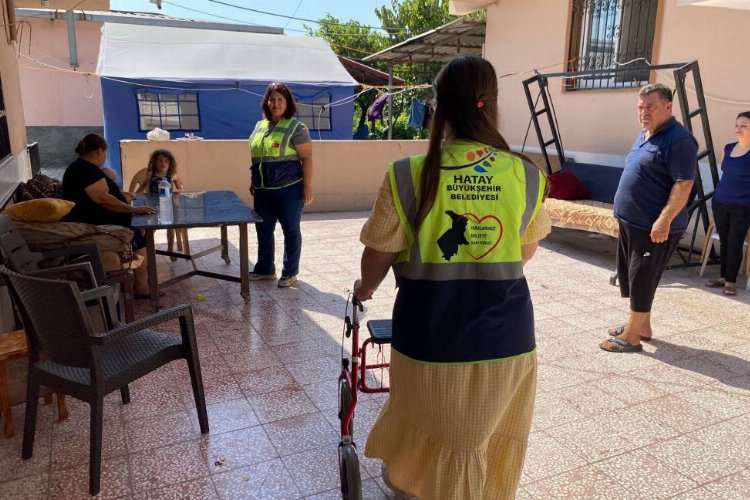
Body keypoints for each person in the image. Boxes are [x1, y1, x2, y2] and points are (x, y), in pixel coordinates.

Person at [352, 55, 550, 500]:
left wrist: (365, 289)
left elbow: (378, 256)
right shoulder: (527, 174)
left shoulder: (407, 175)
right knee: (484, 442)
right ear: (492, 105)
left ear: (439, 107)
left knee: (431, 437)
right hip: (509, 340)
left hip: (430, 340)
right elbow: (524, 251)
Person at [601, 83, 698, 352]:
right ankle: (641, 325)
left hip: (653, 226)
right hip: (632, 221)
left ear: (668, 106)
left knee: (642, 276)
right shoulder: (645, 133)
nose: (644, 112)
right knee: (634, 276)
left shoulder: (679, 140)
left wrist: (664, 219)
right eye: (640, 107)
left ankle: (631, 337)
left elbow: (684, 183)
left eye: (650, 107)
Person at [62, 133, 156, 298]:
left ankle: (140, 282)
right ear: (99, 151)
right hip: (95, 224)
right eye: (105, 153)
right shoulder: (85, 169)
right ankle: (142, 286)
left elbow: (101, 195)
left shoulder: (84, 168)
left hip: (100, 219)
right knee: (140, 239)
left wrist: (121, 196)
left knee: (142, 231)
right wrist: (133, 209)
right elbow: (103, 199)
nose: (105, 157)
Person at [248, 82, 314, 288]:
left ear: (288, 103)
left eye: (280, 99)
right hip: (263, 191)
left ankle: (290, 272)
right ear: (266, 102)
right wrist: (253, 182)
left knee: (291, 230)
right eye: (272, 99)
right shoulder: (259, 126)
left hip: (289, 190)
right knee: (263, 230)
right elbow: (257, 158)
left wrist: (308, 186)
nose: (275, 103)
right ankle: (265, 269)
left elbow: (307, 158)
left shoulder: (296, 128)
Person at [705, 111, 750, 296]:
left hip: (743, 206)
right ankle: (723, 277)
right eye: (737, 125)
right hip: (721, 202)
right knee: (724, 241)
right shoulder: (728, 148)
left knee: (735, 242)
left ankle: (731, 282)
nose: (738, 129)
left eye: (744, 126)